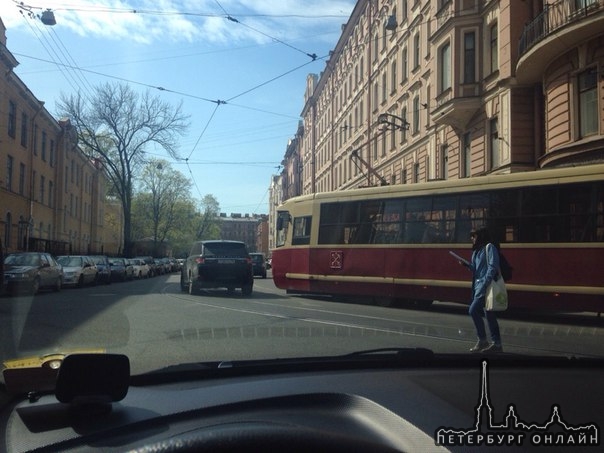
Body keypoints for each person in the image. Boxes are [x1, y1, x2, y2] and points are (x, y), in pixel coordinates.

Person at [461, 226, 503, 353]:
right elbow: (476, 269)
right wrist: (467, 265)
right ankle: (496, 344)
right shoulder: (476, 251)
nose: (472, 238)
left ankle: (483, 340)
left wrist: (485, 282)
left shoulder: (489, 247)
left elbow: (493, 266)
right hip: (478, 287)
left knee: (473, 310)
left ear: (480, 236)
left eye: (474, 236)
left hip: (486, 287)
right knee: (489, 315)